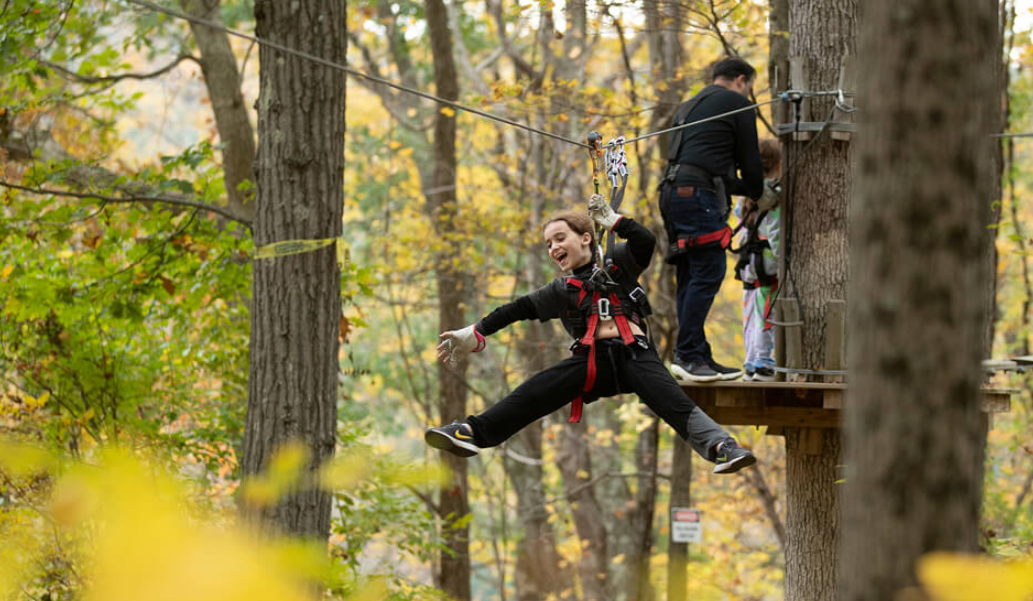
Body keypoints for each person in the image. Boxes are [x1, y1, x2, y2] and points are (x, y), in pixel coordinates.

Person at [424, 195, 756, 475]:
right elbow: (515, 310)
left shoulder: (618, 263)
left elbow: (645, 241)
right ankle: (469, 432)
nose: (553, 247)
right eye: (549, 244)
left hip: (634, 355)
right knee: (532, 393)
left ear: (585, 237)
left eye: (559, 238)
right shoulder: (560, 289)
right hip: (590, 362)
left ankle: (721, 446)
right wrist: (476, 332)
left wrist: (614, 221)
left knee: (674, 403)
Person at [659, 56, 764, 383]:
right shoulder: (737, 104)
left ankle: (697, 354)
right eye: (749, 87)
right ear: (741, 80)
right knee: (708, 270)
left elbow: (708, 166)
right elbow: (749, 161)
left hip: (673, 192)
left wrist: (737, 187)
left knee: (692, 273)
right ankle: (689, 355)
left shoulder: (688, 106)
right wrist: (758, 191)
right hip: (697, 195)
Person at [735, 139, 782, 381]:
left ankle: (751, 362)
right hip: (767, 264)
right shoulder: (773, 197)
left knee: (750, 313)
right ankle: (762, 363)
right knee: (765, 314)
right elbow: (775, 234)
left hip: (748, 264)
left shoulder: (745, 196)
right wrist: (785, 263)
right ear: (778, 165)